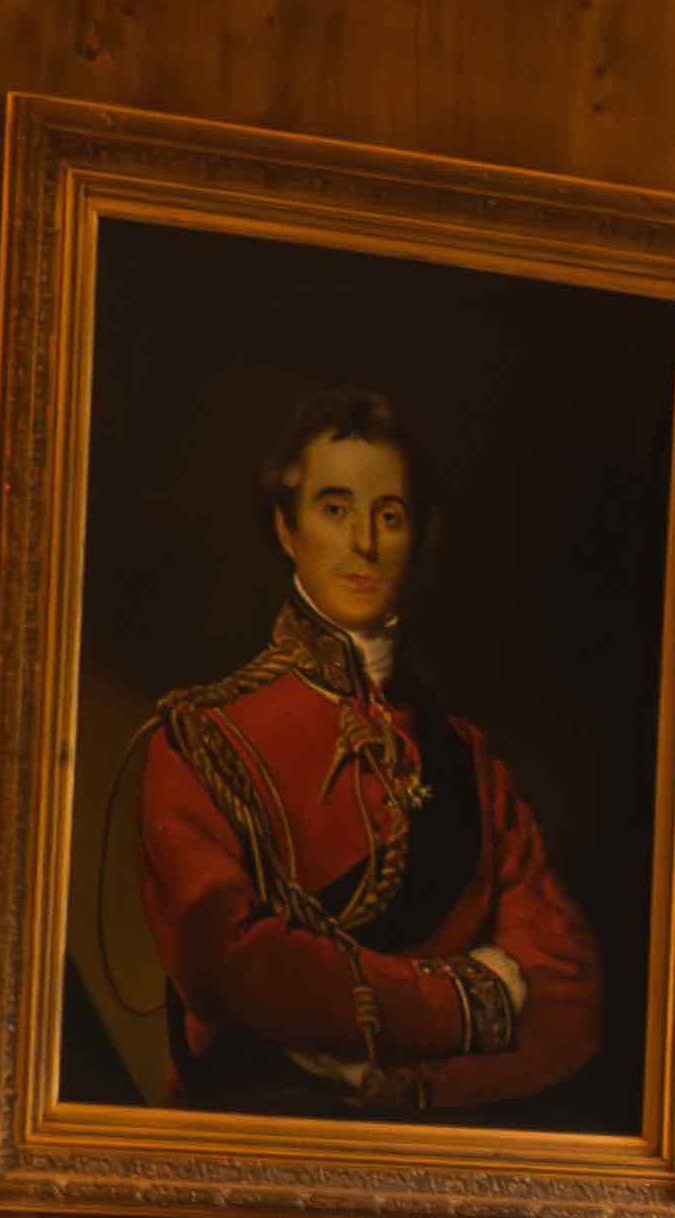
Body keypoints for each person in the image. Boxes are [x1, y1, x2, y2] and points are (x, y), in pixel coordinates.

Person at [128, 392, 603, 1118]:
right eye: (334, 509)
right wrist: (466, 1003)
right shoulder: (202, 740)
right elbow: (231, 965)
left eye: (389, 516)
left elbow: (566, 993)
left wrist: (413, 1089)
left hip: (446, 1149)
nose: (364, 546)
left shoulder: (466, 759)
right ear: (286, 530)